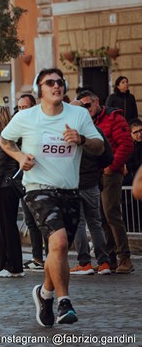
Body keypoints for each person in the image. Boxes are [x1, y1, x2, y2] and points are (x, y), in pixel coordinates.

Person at [0, 68, 104, 327]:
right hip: (38, 189)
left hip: (69, 191)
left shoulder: (78, 115)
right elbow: (4, 140)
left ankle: (44, 293)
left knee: (58, 250)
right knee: (57, 242)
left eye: (59, 82)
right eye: (50, 83)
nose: (56, 86)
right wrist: (20, 157)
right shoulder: (27, 117)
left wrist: (80, 139)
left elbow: (99, 145)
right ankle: (64, 301)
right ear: (40, 90)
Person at [76, 90, 134, 274]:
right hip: (96, 173)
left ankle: (124, 257)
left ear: (96, 101)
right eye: (82, 107)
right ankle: (109, 260)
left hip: (110, 172)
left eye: (87, 105)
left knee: (111, 213)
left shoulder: (113, 118)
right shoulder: (88, 122)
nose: (86, 109)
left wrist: (112, 166)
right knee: (100, 217)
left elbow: (126, 144)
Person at [68, 100, 114, 276]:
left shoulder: (69, 134)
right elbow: (107, 156)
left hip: (75, 183)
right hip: (92, 182)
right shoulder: (95, 131)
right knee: (95, 223)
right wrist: (96, 169)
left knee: (79, 223)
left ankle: (85, 263)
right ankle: (104, 263)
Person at [0, 105, 24, 278]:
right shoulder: (9, 138)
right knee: (7, 226)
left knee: (5, 227)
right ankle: (11, 265)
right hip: (10, 188)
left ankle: (9, 265)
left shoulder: (0, 140)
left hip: (4, 187)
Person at [15, 94, 47, 272]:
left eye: (25, 107)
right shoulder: (17, 128)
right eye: (19, 108)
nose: (22, 111)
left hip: (41, 180)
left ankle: (51, 256)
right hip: (24, 181)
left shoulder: (41, 125)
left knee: (44, 220)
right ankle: (37, 257)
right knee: (30, 221)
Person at [123, 118, 142, 186]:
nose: (139, 134)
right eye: (136, 132)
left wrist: (128, 166)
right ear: (130, 134)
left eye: (141, 130)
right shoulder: (127, 146)